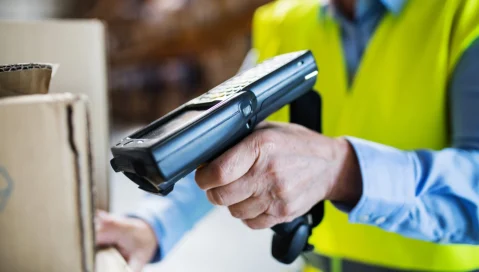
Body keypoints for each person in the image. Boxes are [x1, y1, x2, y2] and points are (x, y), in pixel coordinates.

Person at [97, 0, 479, 271]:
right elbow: (219, 139)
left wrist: (343, 170)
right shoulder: (285, 20)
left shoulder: (464, 14)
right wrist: (151, 226)